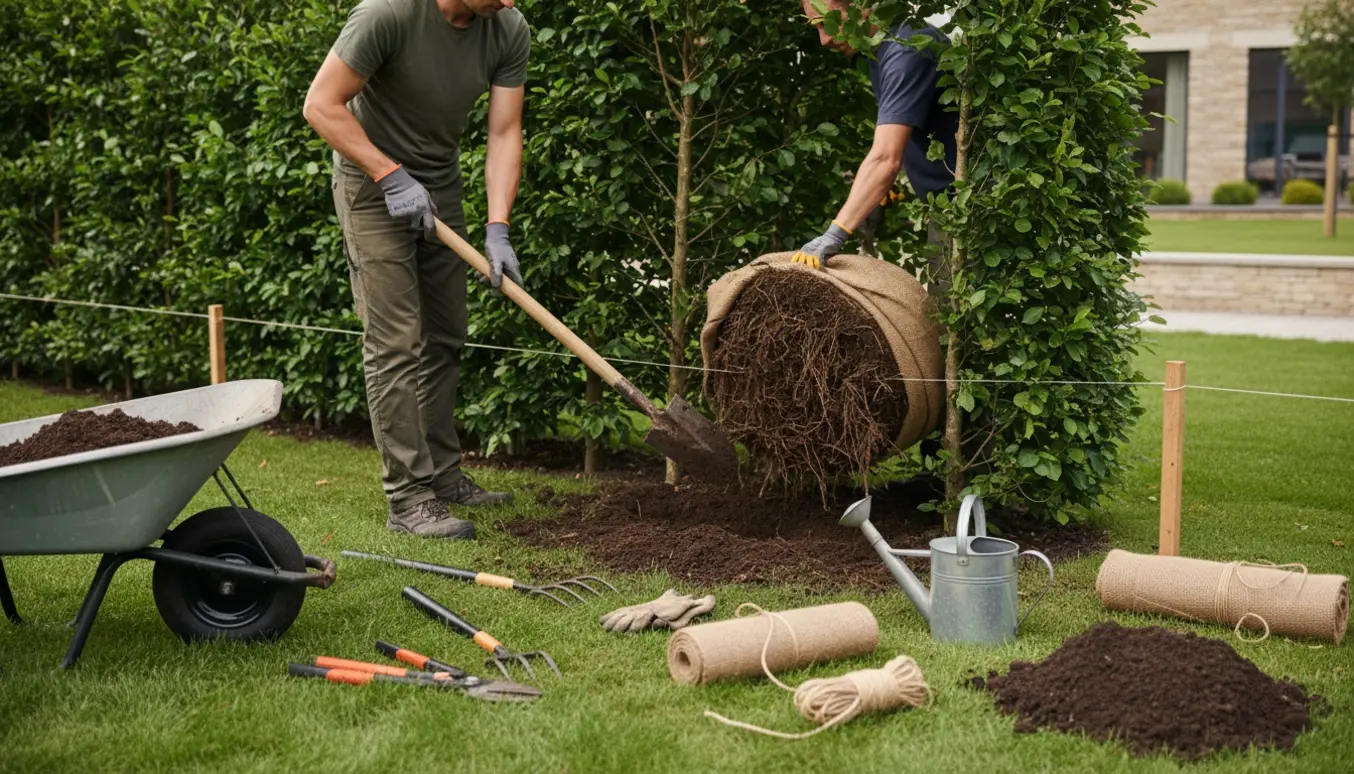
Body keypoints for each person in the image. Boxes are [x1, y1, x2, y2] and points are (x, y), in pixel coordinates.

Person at [303, 0, 530, 540]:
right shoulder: (387, 14)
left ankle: (443, 476)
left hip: (440, 186)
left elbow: (503, 132)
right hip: (370, 182)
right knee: (396, 341)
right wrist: (388, 173)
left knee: (447, 333)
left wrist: (498, 226)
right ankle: (408, 497)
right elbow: (320, 104)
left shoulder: (508, 28)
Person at [792, 0, 958, 295]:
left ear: (861, 6)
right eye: (816, 27)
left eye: (828, 22)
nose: (824, 38)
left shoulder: (908, 50)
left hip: (970, 216)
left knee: (954, 327)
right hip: (949, 210)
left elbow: (884, 158)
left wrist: (835, 233)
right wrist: (882, 193)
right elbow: (917, 129)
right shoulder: (883, 47)